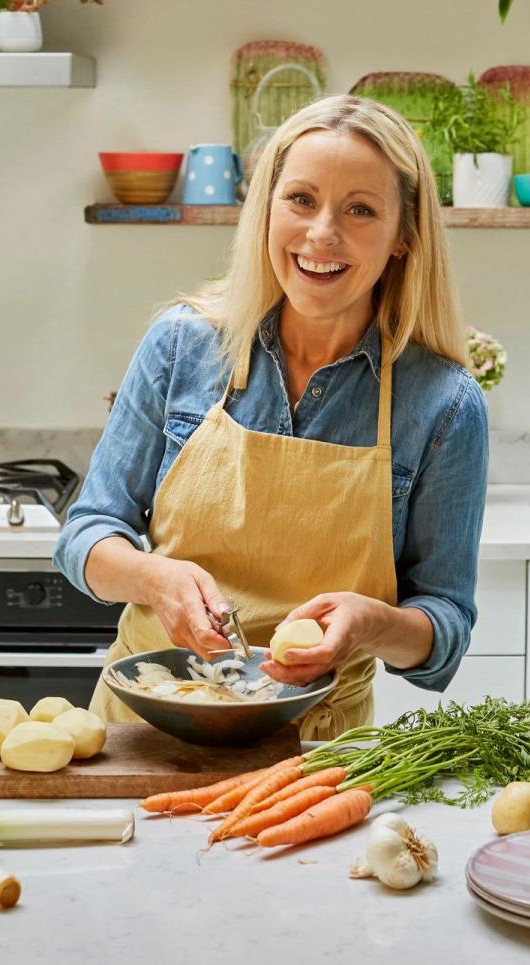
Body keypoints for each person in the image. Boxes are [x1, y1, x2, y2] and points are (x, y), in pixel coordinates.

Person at [53, 93, 489, 740]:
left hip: (310, 756)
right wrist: (155, 578)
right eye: (301, 200)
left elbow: (443, 631)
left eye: (361, 209)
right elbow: (85, 536)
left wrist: (371, 624)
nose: (322, 234)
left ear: (405, 236)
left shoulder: (444, 405)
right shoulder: (181, 346)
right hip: (144, 730)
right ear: (266, 210)